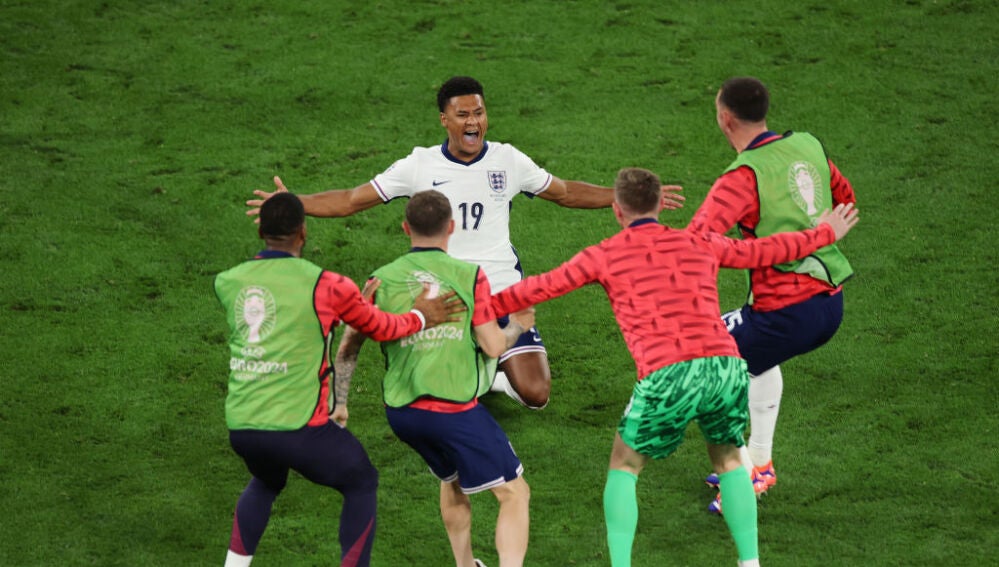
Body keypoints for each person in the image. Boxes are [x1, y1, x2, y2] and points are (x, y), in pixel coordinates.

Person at [489, 168, 859, 567]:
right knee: (731, 460)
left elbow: (538, 287)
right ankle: (750, 563)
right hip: (725, 365)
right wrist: (824, 234)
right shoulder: (699, 241)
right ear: (660, 205)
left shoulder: (603, 255)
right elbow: (766, 251)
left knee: (625, 465)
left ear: (617, 211)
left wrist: (473, 308)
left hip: (668, 373)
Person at [247, 75, 683, 410]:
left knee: (536, 394)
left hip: (498, 288)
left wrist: (629, 199)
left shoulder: (509, 160)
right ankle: (472, 359)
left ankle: (484, 370)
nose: (473, 122)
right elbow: (350, 200)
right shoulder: (418, 165)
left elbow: (565, 192)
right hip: (443, 291)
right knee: (432, 399)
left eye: (479, 113)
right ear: (444, 119)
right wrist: (293, 201)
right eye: (463, 115)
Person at [213, 192, 464, 567]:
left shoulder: (227, 282)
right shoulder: (328, 285)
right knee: (360, 480)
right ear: (303, 232)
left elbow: (284, 319)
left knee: (267, 481)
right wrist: (421, 315)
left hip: (243, 427)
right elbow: (383, 327)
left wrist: (350, 307)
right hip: (298, 427)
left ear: (261, 232)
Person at [334, 190, 536, 567]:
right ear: (451, 228)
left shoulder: (380, 280)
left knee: (452, 478)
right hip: (452, 411)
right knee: (514, 493)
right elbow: (493, 346)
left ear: (405, 227)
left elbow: (348, 345)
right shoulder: (469, 276)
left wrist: (341, 401)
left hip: (403, 414)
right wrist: (518, 328)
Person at [687, 77, 858, 513]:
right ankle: (760, 462)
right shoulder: (807, 145)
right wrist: (813, 227)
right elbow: (846, 200)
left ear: (725, 120)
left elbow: (697, 243)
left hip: (786, 311)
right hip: (830, 304)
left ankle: (744, 476)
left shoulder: (742, 178)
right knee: (754, 358)